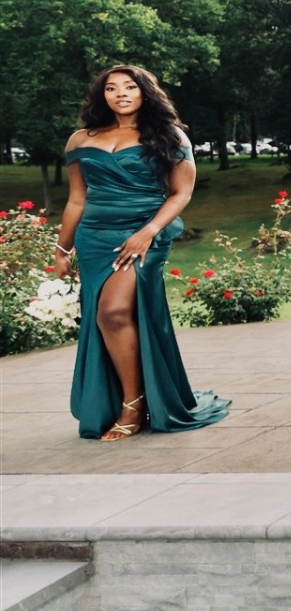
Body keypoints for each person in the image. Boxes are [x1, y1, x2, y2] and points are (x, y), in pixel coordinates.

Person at [54, 66, 228, 441]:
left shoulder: (169, 135)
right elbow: (77, 198)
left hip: (146, 233)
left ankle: (132, 407)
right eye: (112, 88)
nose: (121, 94)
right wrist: (61, 248)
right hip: (95, 238)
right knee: (108, 318)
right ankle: (128, 396)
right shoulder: (80, 140)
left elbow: (181, 193)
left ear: (145, 92)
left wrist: (147, 232)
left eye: (130, 87)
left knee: (113, 311)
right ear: (102, 96)